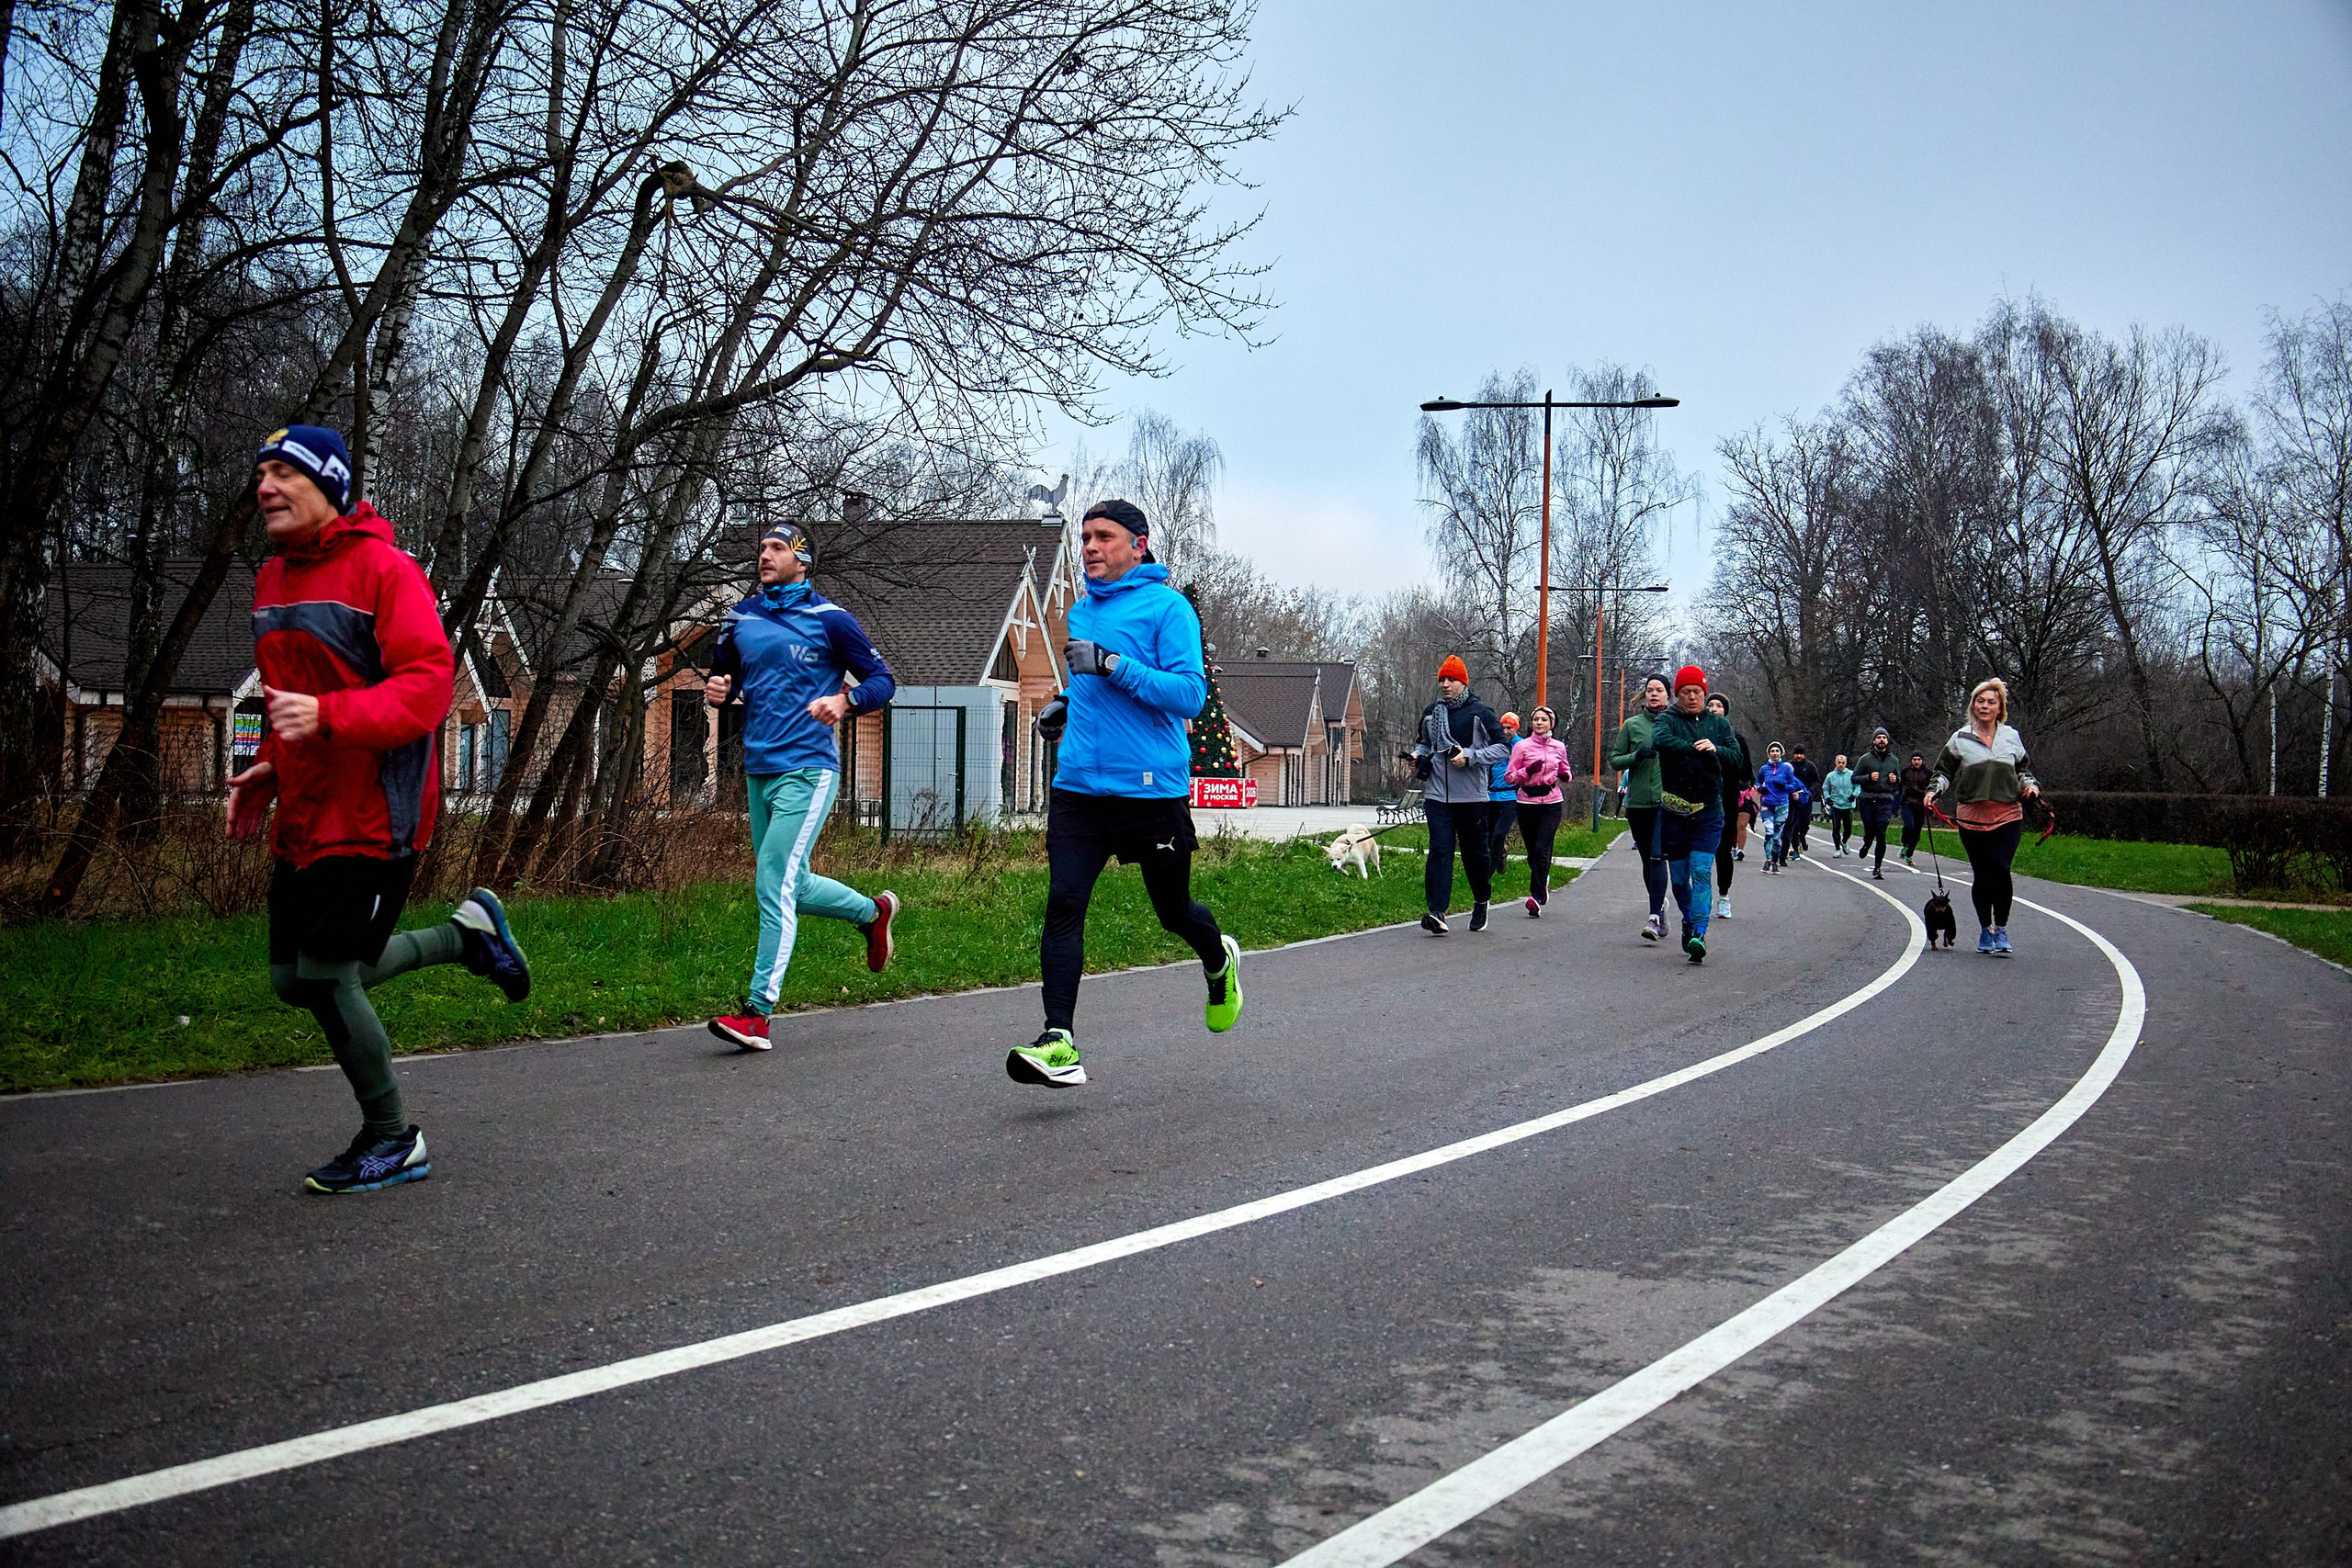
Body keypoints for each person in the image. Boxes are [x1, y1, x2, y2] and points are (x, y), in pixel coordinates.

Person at [227, 425, 530, 1194]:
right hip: (307, 810)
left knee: (330, 977)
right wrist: (269, 767)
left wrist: (328, 718)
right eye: (260, 473)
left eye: (283, 474)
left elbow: (429, 687)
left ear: (329, 483)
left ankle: (394, 1137)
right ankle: (465, 938)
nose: (264, 487)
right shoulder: (271, 582)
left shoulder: (385, 572)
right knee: (294, 978)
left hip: (375, 813)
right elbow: (285, 701)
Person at [1007, 500, 1240, 1087]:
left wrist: (1111, 664)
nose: (1089, 547)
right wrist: (1065, 702)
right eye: (1085, 537)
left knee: (1172, 912)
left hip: (1149, 792)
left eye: (1103, 537)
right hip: (1079, 788)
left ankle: (1219, 960)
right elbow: (1088, 684)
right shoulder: (1081, 611)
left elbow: (1190, 696)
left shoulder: (1169, 609)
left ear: (1138, 545)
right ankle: (1058, 1040)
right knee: (1064, 904)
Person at [703, 522, 900, 1051]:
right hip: (758, 767)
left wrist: (846, 701)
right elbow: (725, 680)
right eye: (761, 548)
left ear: (801, 559)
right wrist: (719, 689)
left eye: (775, 548)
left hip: (810, 768)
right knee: (795, 882)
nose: (764, 556)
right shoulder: (739, 617)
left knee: (772, 882)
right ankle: (872, 913)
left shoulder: (831, 620)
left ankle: (757, 1013)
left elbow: (883, 680)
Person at [1925, 678, 2041, 955]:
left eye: (1991, 701)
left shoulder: (2010, 736)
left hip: (2008, 815)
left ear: (2000, 707)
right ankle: (1985, 929)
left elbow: (2023, 770)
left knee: (2001, 871)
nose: (1985, 706)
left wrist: (2031, 787)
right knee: (1983, 874)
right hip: (1972, 817)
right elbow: (1943, 772)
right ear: (1973, 706)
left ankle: (2001, 929)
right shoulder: (1960, 739)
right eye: (1980, 701)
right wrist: (1933, 792)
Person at [1410, 654, 1513, 935]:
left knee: (1474, 855)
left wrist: (1470, 756)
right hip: (1436, 797)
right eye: (1442, 679)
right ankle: (1437, 912)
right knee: (1440, 852)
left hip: (1472, 797)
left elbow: (1504, 749)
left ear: (1463, 682)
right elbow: (1424, 744)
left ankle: (1481, 899)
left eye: (1451, 680)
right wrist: (1417, 757)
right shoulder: (1432, 712)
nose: (1445, 684)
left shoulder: (1480, 712)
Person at [1652, 666, 1736, 962]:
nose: (1691, 697)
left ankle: (1699, 932)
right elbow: (1659, 741)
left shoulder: (1719, 725)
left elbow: (1735, 756)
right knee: (1678, 880)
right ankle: (1688, 919)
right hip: (1674, 812)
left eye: (1697, 692)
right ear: (1678, 695)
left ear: (1704, 692)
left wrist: (1715, 750)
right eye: (1686, 692)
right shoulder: (1668, 719)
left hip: (1708, 812)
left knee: (1701, 872)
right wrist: (1692, 750)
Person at [1609, 675, 1672, 941]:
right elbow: (1614, 759)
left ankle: (1654, 917)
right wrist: (1636, 756)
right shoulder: (1632, 725)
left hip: (1667, 803)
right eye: (1650, 690)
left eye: (1659, 690)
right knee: (1648, 859)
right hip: (1638, 803)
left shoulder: (1676, 724)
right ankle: (1660, 905)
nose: (1654, 694)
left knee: (1658, 856)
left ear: (1669, 695)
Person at [1504, 705, 1571, 917]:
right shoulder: (1522, 747)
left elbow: (1565, 768)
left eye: (1544, 720)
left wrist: (1565, 775)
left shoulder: (1559, 747)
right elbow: (1510, 777)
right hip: (1527, 802)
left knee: (1543, 848)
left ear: (1552, 723)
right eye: (1536, 720)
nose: (1539, 723)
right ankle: (1543, 882)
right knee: (1533, 853)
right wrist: (1527, 771)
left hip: (1551, 802)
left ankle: (1536, 895)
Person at [1704, 693, 1755, 919]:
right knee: (1700, 852)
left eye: (1719, 706)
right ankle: (1701, 897)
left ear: (1725, 711)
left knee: (1723, 850)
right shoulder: (1696, 735)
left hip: (1726, 800)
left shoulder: (1735, 738)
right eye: (1710, 705)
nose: (1714, 709)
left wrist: (1725, 762)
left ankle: (1724, 897)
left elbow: (1747, 773)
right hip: (1701, 799)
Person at [1854, 726, 1902, 880]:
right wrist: (1868, 778)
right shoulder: (1865, 759)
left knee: (1881, 833)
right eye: (1879, 737)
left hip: (1885, 800)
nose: (1882, 740)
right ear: (1874, 740)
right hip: (1868, 799)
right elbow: (1854, 778)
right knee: (1870, 830)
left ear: (1887, 741)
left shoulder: (1894, 760)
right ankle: (1867, 844)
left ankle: (1877, 867)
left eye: (1884, 738)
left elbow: (1899, 780)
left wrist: (1895, 780)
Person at [1753, 742, 1799, 873]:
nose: (1774, 753)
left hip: (1782, 805)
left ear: (1781, 753)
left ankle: (1774, 861)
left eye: (1777, 751)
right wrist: (1760, 788)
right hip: (1767, 805)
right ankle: (1767, 860)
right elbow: (1757, 782)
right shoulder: (1764, 769)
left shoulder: (1786, 769)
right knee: (1768, 832)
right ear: (1769, 753)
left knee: (1777, 837)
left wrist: (1783, 786)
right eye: (1772, 751)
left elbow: (1793, 785)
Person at [1487, 710, 1521, 887]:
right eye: (1503, 728)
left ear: (1516, 729)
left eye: (1509, 728)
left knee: (1500, 834)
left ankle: (1489, 872)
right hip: (1492, 795)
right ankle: (1501, 854)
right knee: (1490, 836)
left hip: (1511, 796)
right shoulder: (1496, 743)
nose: (1506, 731)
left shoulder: (1521, 746)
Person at [1899, 750, 1934, 866]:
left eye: (1919, 759)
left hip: (1921, 803)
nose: (1917, 762)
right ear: (1911, 761)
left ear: (1922, 761)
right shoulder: (1906, 772)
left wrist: (1931, 800)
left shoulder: (1928, 773)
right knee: (1909, 826)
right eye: (1914, 759)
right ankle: (1904, 845)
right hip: (1908, 802)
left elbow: (1932, 787)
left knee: (1916, 832)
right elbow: (1900, 786)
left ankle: (1909, 854)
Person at [1788, 745, 1822, 858]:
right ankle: (1796, 848)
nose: (1798, 756)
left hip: (1806, 799)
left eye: (1801, 754)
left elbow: (1817, 781)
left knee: (1805, 823)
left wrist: (1810, 791)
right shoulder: (1789, 766)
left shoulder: (1810, 766)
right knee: (1794, 824)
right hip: (1792, 799)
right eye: (1797, 754)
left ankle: (1802, 836)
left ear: (1804, 755)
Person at [1823, 753, 1859, 856]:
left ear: (1846, 763)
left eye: (1843, 763)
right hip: (1836, 804)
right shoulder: (1830, 776)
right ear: (1835, 762)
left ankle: (1844, 841)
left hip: (1848, 804)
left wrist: (1854, 795)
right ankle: (1837, 848)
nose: (1841, 765)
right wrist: (1827, 798)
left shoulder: (1851, 775)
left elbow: (1857, 786)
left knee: (1848, 829)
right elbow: (1825, 788)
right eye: (1839, 762)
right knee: (1836, 827)